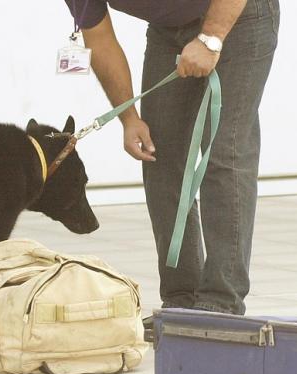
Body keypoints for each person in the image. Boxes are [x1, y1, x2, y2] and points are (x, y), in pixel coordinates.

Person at [64, 0, 279, 317]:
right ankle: (182, 300)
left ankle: (221, 304)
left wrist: (211, 38)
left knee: (224, 154)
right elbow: (99, 38)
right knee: (158, 157)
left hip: (240, 15)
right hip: (168, 31)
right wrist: (129, 118)